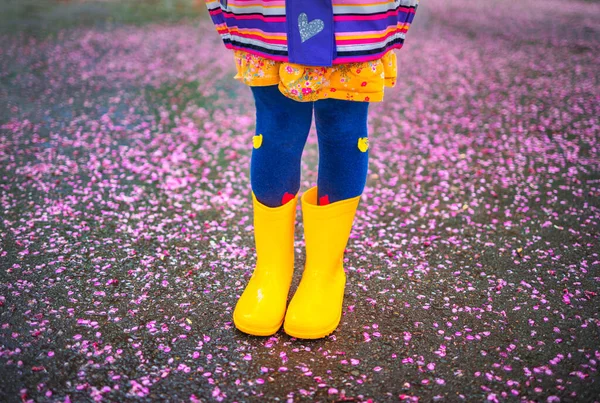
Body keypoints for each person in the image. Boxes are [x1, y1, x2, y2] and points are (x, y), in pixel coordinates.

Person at [204, 0, 419, 339]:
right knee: (275, 131)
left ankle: (325, 270)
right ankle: (272, 269)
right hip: (266, 16)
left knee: (343, 132)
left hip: (355, 16)